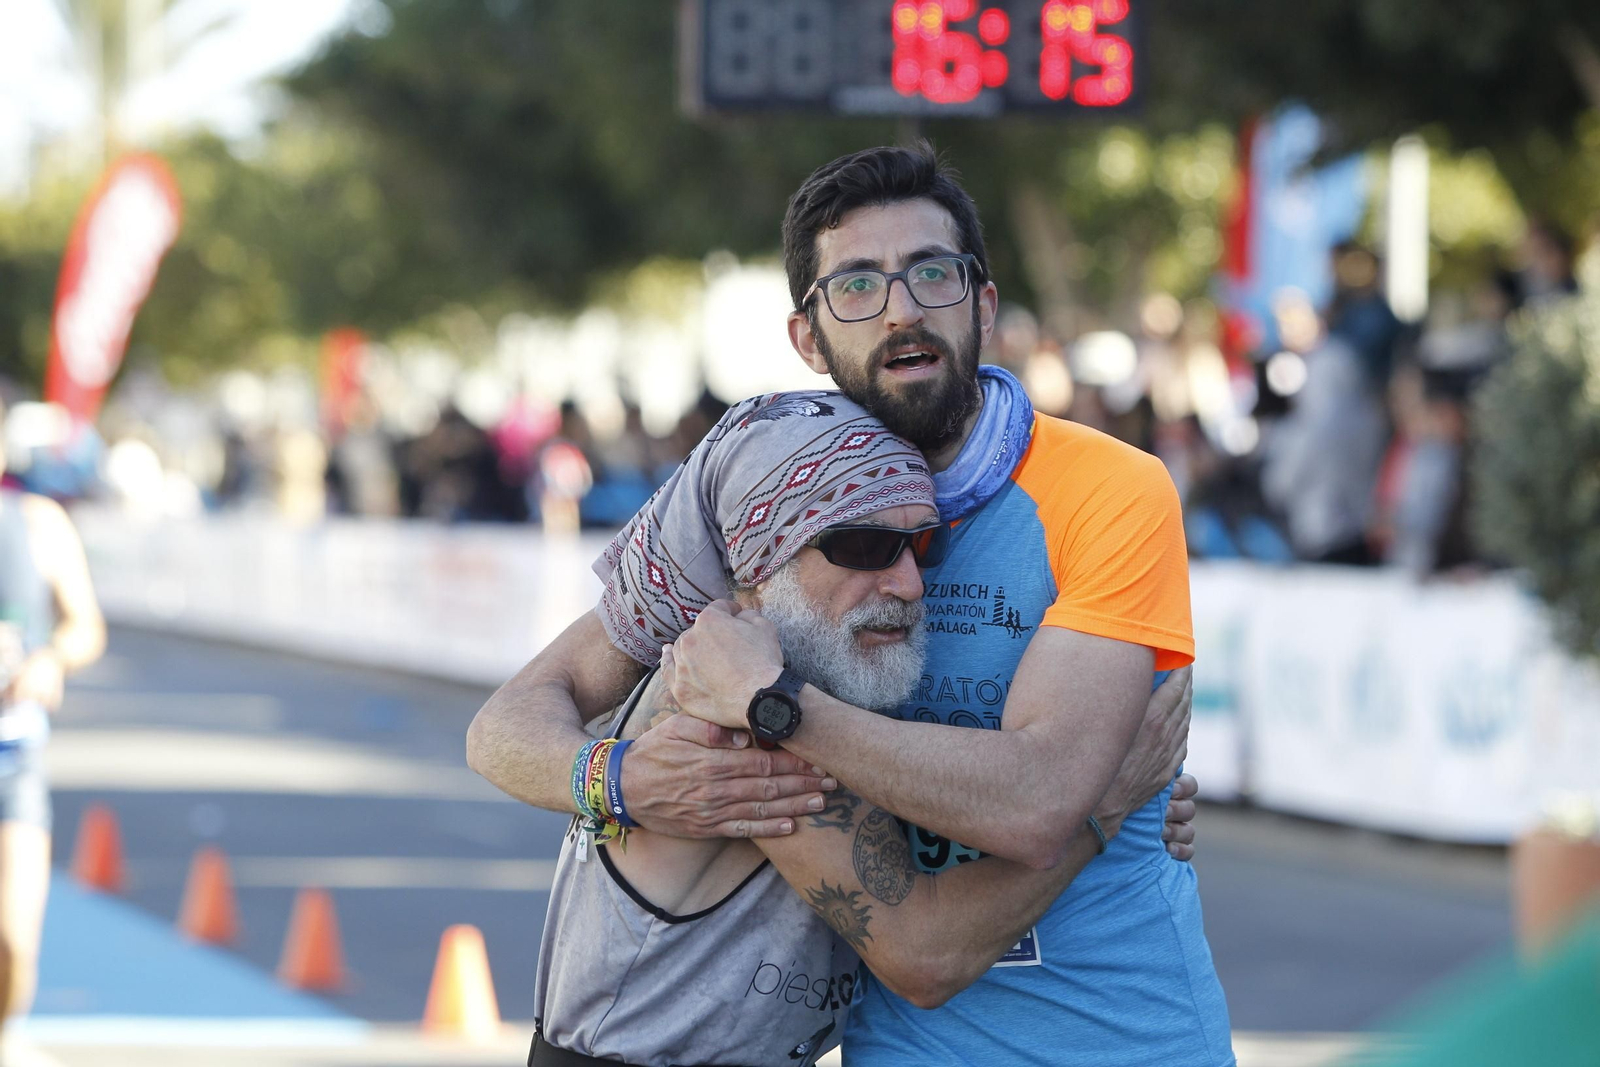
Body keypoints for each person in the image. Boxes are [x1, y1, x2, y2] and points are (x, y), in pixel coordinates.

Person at [468, 143, 1232, 1065]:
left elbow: (1038, 801)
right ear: (808, 336)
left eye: (932, 275)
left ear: (983, 304)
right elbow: (506, 721)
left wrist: (780, 704)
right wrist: (621, 781)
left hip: (1126, 1041)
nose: (902, 309)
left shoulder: (1109, 488)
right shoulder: (764, 499)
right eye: (858, 285)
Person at [531, 391, 1195, 1066]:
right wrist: (1107, 804)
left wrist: (1114, 784)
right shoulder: (732, 719)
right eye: (864, 545)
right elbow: (927, 951)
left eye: (921, 545)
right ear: (758, 567)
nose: (908, 582)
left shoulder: (796, 691)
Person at [0, 403, 106, 1044]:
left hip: (13, 757)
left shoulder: (37, 522)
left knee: (13, 941)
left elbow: (86, 625)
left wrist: (51, 657)